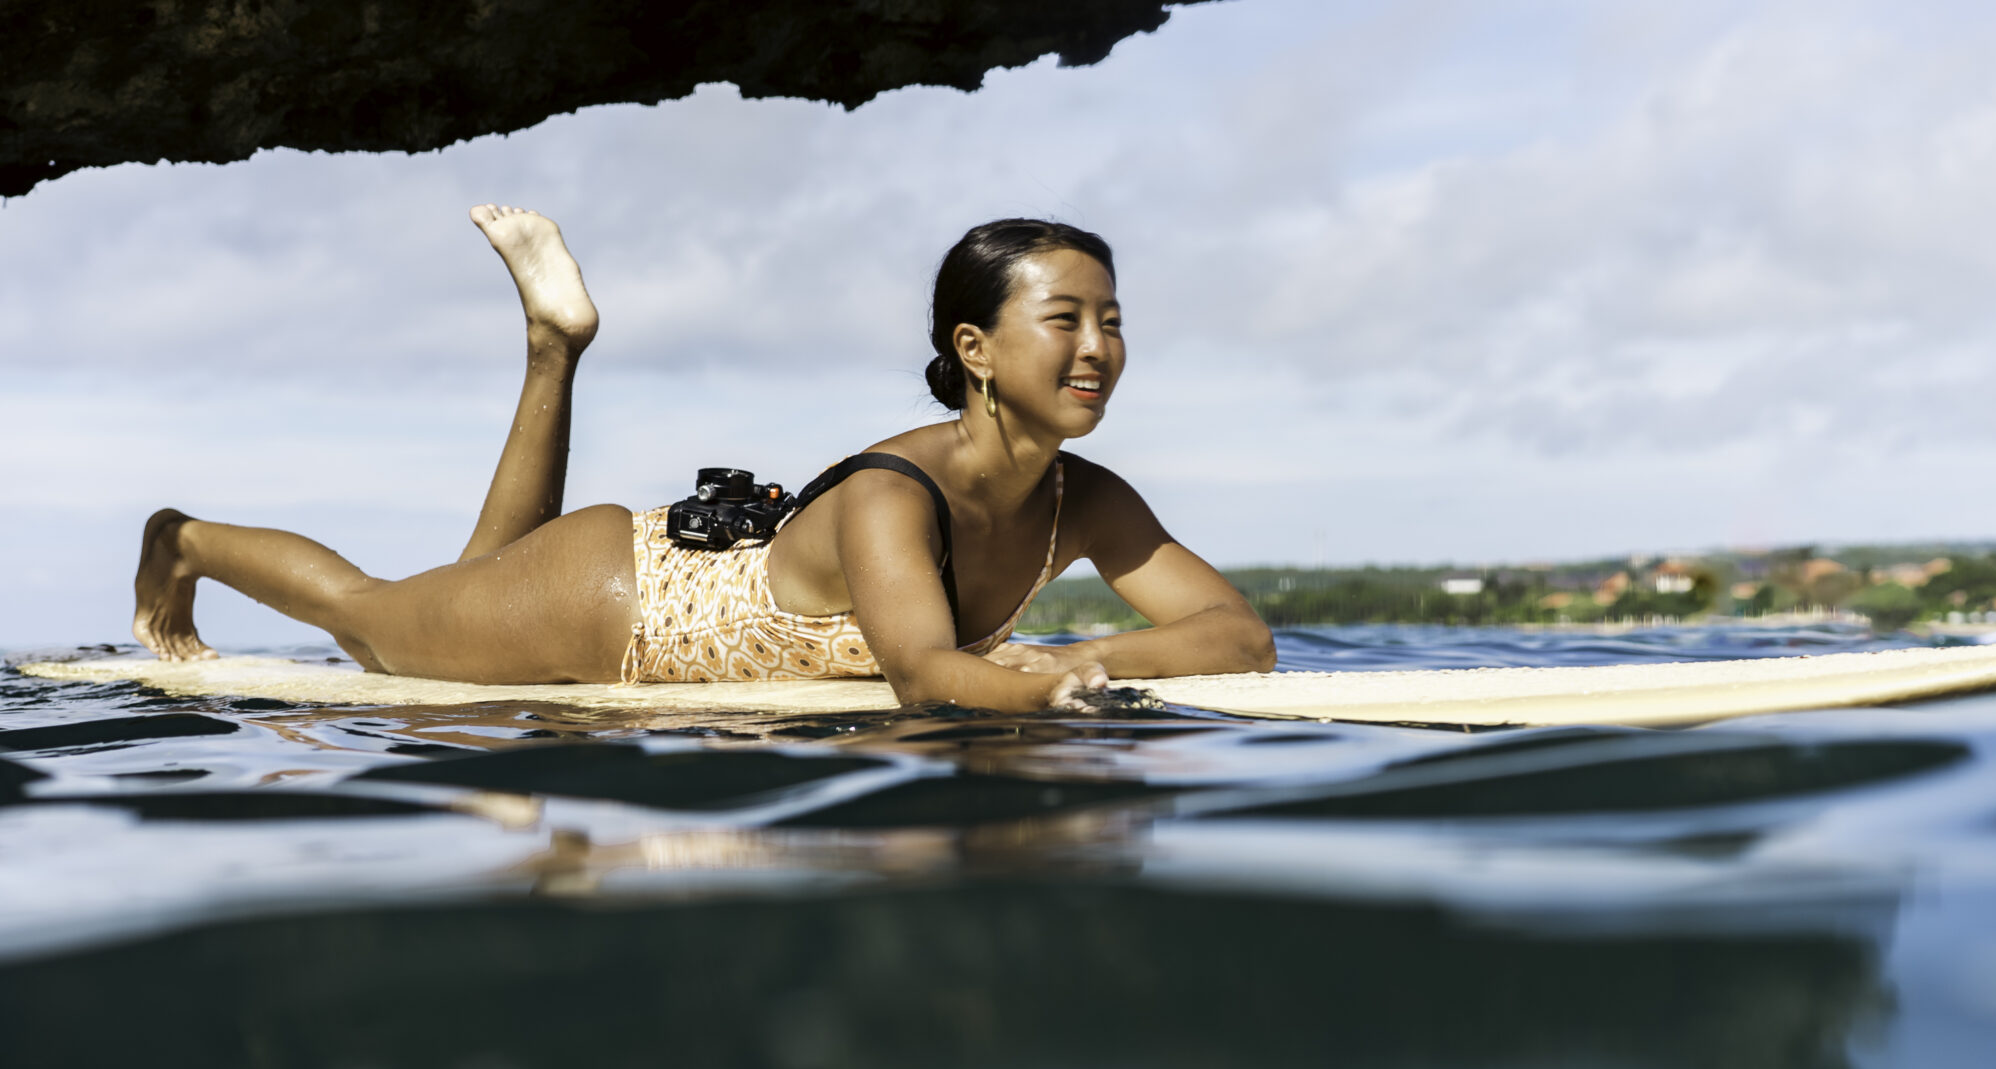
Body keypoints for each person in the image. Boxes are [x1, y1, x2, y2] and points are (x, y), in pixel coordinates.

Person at [131, 206, 1275, 712]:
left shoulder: (1088, 497)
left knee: (464, 574)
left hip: (639, 584)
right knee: (377, 626)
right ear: (973, 348)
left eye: (1111, 320)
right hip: (615, 610)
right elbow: (929, 677)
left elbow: (1238, 635)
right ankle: (180, 540)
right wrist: (1055, 681)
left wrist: (1089, 655)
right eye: (1065, 318)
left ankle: (552, 345)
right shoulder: (895, 491)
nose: (1096, 348)